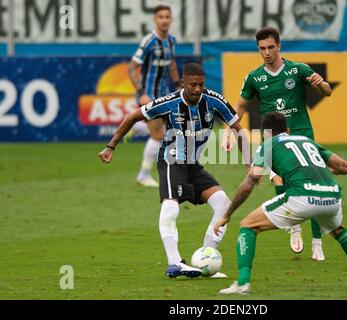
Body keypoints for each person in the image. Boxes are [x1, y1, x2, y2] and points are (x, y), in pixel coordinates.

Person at [99, 63, 250, 278]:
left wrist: (248, 162)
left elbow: (238, 129)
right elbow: (133, 117)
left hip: (193, 166)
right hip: (171, 161)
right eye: (192, 85)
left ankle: (206, 258)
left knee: (223, 205)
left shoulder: (214, 100)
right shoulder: (169, 103)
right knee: (171, 207)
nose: (197, 89)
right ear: (183, 83)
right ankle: (174, 263)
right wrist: (111, 146)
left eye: (201, 84)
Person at [215, 112, 347, 294]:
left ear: (266, 133)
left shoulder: (268, 145)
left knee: (248, 225)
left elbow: (250, 182)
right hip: (332, 196)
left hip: (301, 197)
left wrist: (227, 215)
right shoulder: (307, 141)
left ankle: (242, 283)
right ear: (287, 130)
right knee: (339, 231)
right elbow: (345, 167)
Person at [221, 27, 332, 261]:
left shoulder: (297, 69)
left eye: (271, 47)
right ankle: (294, 227)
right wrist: (227, 132)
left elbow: (327, 92)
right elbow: (239, 107)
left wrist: (321, 83)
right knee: (279, 180)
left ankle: (317, 242)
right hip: (272, 138)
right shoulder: (254, 77)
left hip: (301, 134)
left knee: (310, 186)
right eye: (262, 48)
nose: (267, 52)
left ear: (279, 46)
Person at [128, 4, 181, 187]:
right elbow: (132, 67)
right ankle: (143, 175)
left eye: (167, 16)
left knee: (166, 131)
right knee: (159, 136)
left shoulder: (172, 41)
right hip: (149, 94)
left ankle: (137, 128)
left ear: (171, 19)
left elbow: (172, 64)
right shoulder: (149, 41)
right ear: (155, 19)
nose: (165, 20)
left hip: (165, 93)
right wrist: (141, 93)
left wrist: (177, 86)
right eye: (161, 17)